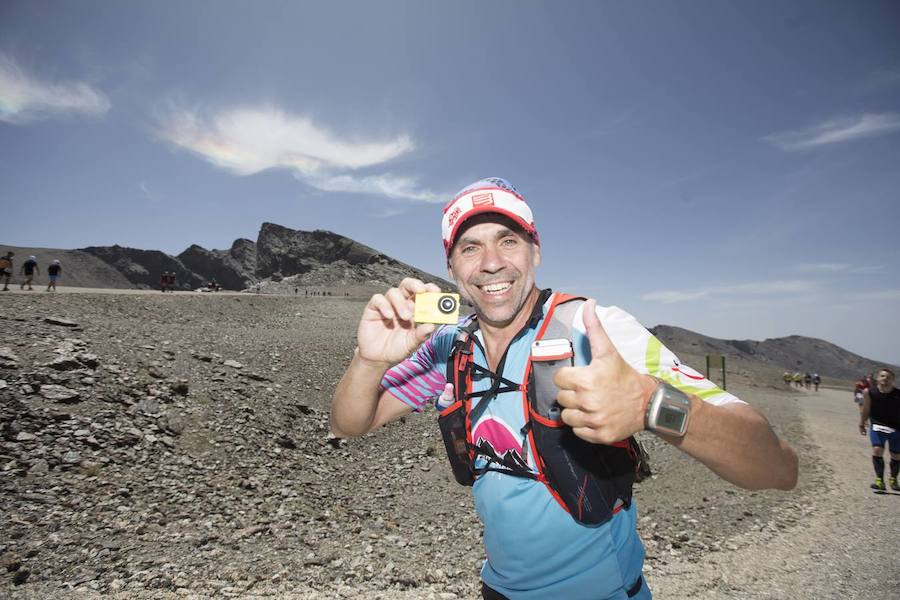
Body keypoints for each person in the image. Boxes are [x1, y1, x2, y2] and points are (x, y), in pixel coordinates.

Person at [330, 177, 798, 600]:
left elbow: (777, 467)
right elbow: (350, 423)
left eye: (508, 241)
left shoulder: (594, 329)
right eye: (470, 248)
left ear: (535, 251)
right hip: (497, 589)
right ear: (452, 268)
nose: (492, 263)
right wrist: (369, 359)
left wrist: (652, 403)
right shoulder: (450, 346)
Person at [859, 368, 900, 492]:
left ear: (893, 380)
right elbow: (866, 408)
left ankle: (893, 479)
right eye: (882, 376)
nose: (885, 379)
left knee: (896, 455)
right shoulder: (869, 392)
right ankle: (879, 480)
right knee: (877, 450)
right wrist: (862, 423)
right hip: (877, 426)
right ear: (878, 378)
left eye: (888, 377)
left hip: (896, 428)